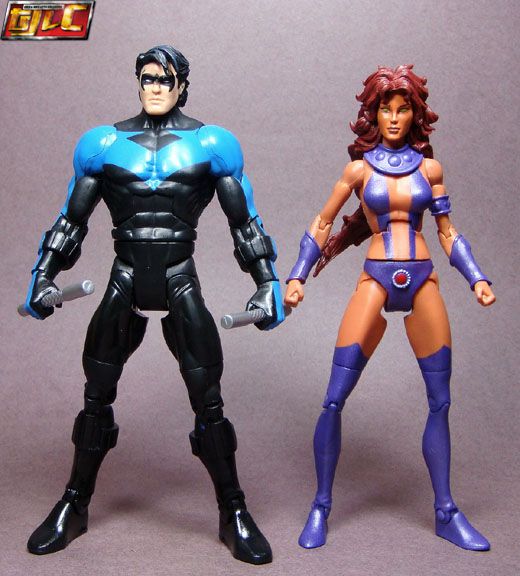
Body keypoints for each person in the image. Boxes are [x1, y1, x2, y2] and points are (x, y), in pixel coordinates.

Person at [24, 44, 284, 565]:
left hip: (178, 276)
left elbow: (243, 219)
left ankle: (233, 509)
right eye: (147, 78)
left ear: (182, 85)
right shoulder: (103, 144)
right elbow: (72, 218)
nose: (156, 88)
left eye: (165, 79)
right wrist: (43, 276)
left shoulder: (211, 143)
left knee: (208, 399)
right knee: (96, 396)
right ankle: (74, 504)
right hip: (124, 276)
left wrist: (266, 282)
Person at [284, 65, 495, 552]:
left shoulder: (430, 170)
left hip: (422, 277)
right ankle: (320, 506)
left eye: (403, 110)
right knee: (334, 398)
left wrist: (477, 277)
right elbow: (322, 222)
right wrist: (297, 275)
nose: (395, 118)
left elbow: (447, 232)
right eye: (386, 109)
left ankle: (446, 512)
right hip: (376, 278)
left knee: (440, 400)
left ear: (415, 115)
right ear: (373, 114)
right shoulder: (359, 171)